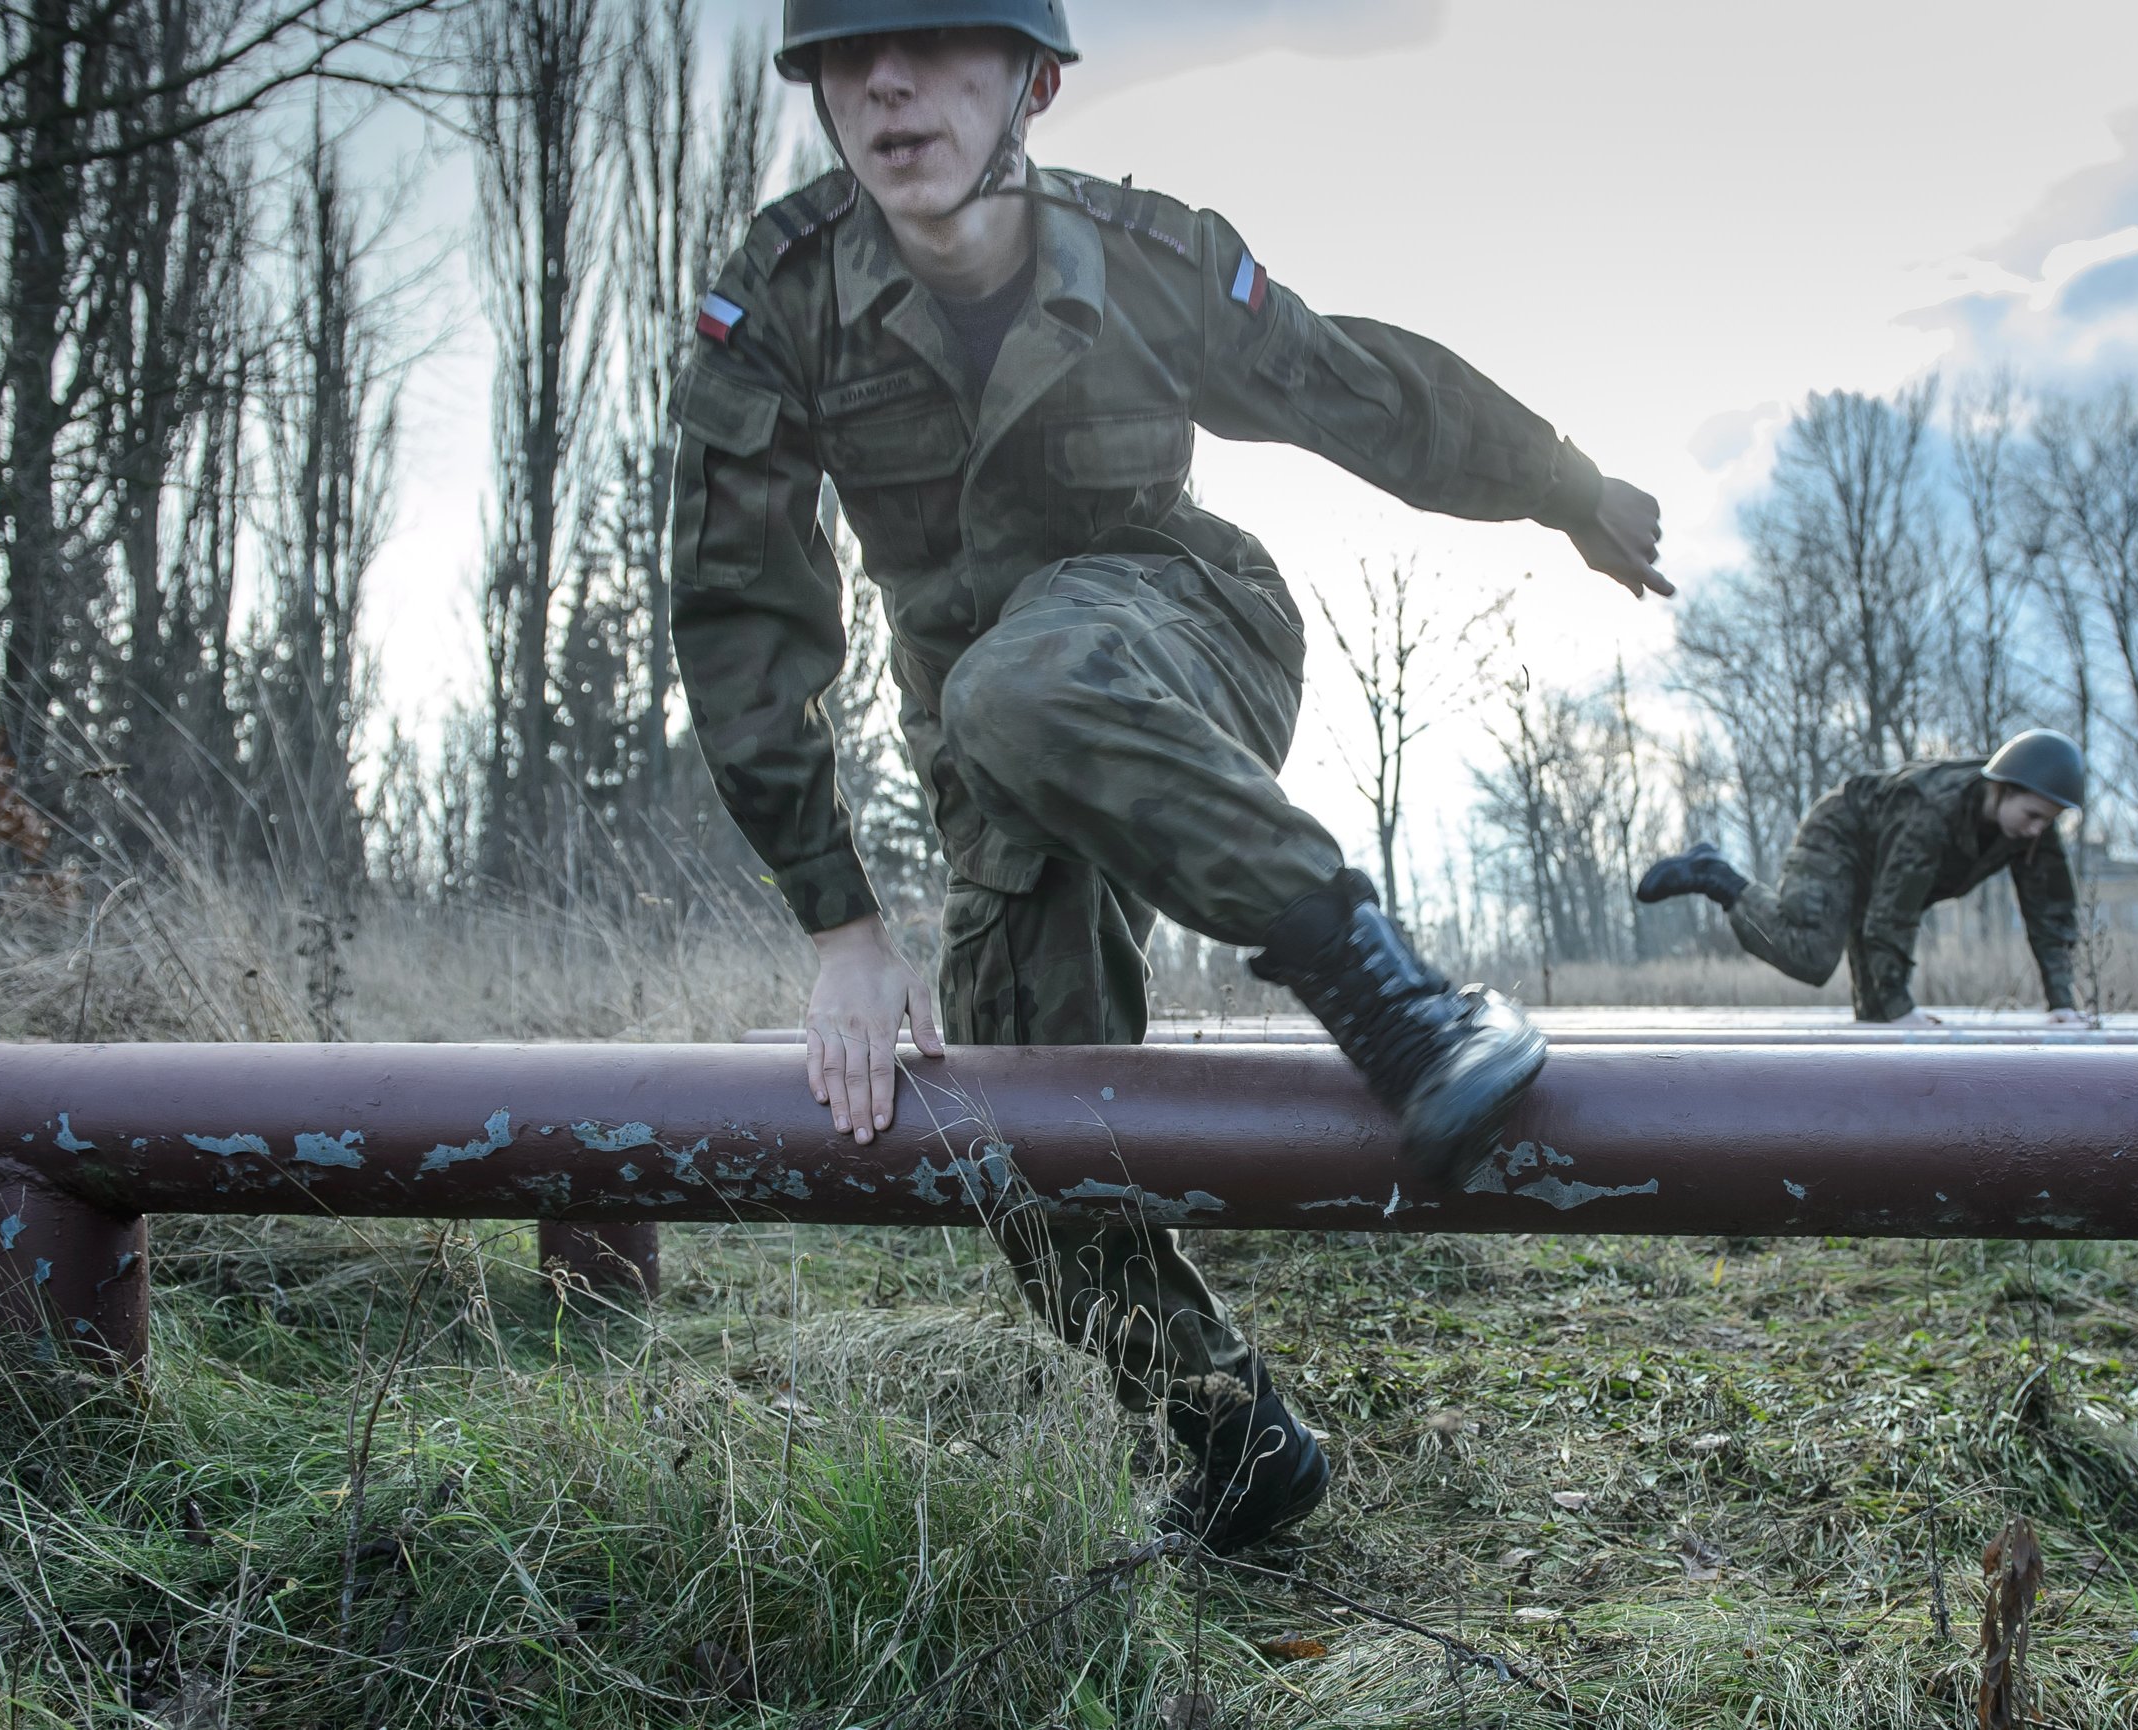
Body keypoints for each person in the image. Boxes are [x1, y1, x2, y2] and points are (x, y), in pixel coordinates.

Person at [668, 0, 1670, 1553]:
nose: (884, 83)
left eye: (935, 47)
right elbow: (743, 617)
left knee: (1029, 673)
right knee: (1027, 1130)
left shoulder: (1142, 256)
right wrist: (842, 930)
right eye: (843, 59)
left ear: (1035, 82)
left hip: (1188, 630)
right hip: (994, 752)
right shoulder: (782, 298)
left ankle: (1390, 986)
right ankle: (1230, 1435)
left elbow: (1360, 392)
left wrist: (1568, 486)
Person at [1637, 730, 2086, 1027]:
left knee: (1876, 1016)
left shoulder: (2033, 830)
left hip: (1883, 863)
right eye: (2031, 816)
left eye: (2048, 822)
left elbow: (2051, 914)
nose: (2037, 830)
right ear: (2001, 789)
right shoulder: (1931, 810)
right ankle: (1716, 875)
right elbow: (1894, 911)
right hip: (1842, 835)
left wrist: (2062, 1002)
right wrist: (1903, 1007)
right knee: (1811, 956)